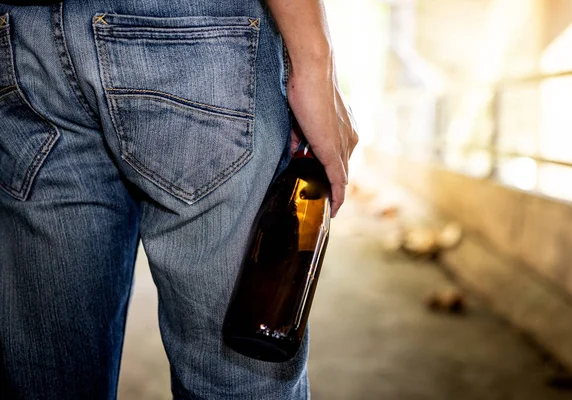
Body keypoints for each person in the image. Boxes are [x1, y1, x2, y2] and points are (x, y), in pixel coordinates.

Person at [0, 0, 358, 398]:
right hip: (193, 34)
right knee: (237, 377)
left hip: (22, 43)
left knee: (48, 374)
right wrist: (314, 62)